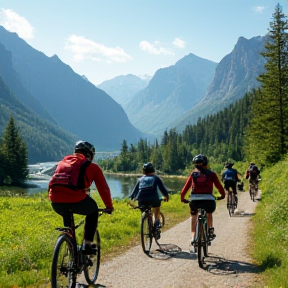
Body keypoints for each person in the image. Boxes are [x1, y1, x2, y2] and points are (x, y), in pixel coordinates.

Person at [48, 140, 114, 255]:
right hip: (75, 199)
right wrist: (109, 206)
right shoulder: (92, 167)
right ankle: (88, 244)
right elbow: (103, 189)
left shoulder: (61, 163)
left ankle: (69, 244)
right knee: (93, 211)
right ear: (91, 155)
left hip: (55, 201)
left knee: (66, 213)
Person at [180, 154, 225, 249]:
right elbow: (219, 186)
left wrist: (183, 197)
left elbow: (185, 188)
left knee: (194, 216)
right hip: (209, 200)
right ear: (206, 164)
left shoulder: (193, 174)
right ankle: (209, 230)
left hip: (194, 200)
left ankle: (193, 237)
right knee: (209, 213)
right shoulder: (211, 174)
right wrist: (222, 195)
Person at [129, 162, 169, 239]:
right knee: (156, 209)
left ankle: (148, 223)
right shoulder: (156, 178)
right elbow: (163, 189)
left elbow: (135, 191)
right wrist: (166, 196)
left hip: (141, 200)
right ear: (153, 170)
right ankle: (156, 224)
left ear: (143, 171)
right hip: (153, 199)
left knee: (145, 210)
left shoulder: (140, 179)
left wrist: (131, 199)